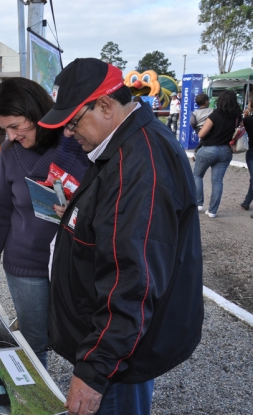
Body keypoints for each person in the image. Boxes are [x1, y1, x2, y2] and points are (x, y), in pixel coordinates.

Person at [39, 58, 203, 415]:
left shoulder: (138, 162)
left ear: (105, 105)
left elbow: (134, 280)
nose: (67, 133)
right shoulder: (126, 145)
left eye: (73, 122)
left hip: (120, 358)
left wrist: (95, 371)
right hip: (117, 345)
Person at [0, 77, 89, 369]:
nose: (11, 136)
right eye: (4, 129)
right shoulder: (10, 153)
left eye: (16, 125)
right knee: (35, 347)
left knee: (85, 345)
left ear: (38, 113)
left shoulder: (81, 144)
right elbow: (0, 212)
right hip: (26, 267)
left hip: (77, 265)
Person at [194, 89, 243, 217]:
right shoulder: (238, 117)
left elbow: (201, 134)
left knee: (198, 175)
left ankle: (199, 204)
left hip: (208, 149)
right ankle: (212, 211)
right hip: (226, 151)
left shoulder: (214, 115)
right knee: (217, 181)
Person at [190, 93, 213, 161]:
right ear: (206, 102)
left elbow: (192, 122)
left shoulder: (195, 112)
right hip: (210, 129)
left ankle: (197, 154)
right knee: (204, 142)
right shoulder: (211, 110)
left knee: (202, 141)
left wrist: (196, 128)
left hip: (199, 129)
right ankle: (197, 153)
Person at [239, 107, 253, 215]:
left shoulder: (247, 120)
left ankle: (246, 202)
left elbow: (240, 127)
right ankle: (246, 202)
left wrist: (245, 115)